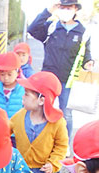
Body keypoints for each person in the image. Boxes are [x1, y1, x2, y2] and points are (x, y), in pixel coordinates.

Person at [28, 0, 94, 144]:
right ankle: (42, 140)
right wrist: (48, 11)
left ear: (75, 8)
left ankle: (63, 144)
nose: (65, 10)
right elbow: (32, 29)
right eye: (62, 7)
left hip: (68, 79)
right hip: (48, 78)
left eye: (68, 7)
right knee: (43, 108)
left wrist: (89, 62)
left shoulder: (83, 32)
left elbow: (85, 53)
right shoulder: (51, 27)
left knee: (66, 113)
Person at [10, 71, 68, 173]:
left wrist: (53, 163)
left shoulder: (57, 123)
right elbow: (4, 132)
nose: (23, 97)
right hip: (24, 169)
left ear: (42, 100)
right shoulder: (19, 116)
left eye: (27, 94)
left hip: (44, 171)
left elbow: (61, 146)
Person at [0, 51, 24, 119]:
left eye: (9, 74)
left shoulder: (23, 90)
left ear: (17, 73)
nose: (6, 78)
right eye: (2, 74)